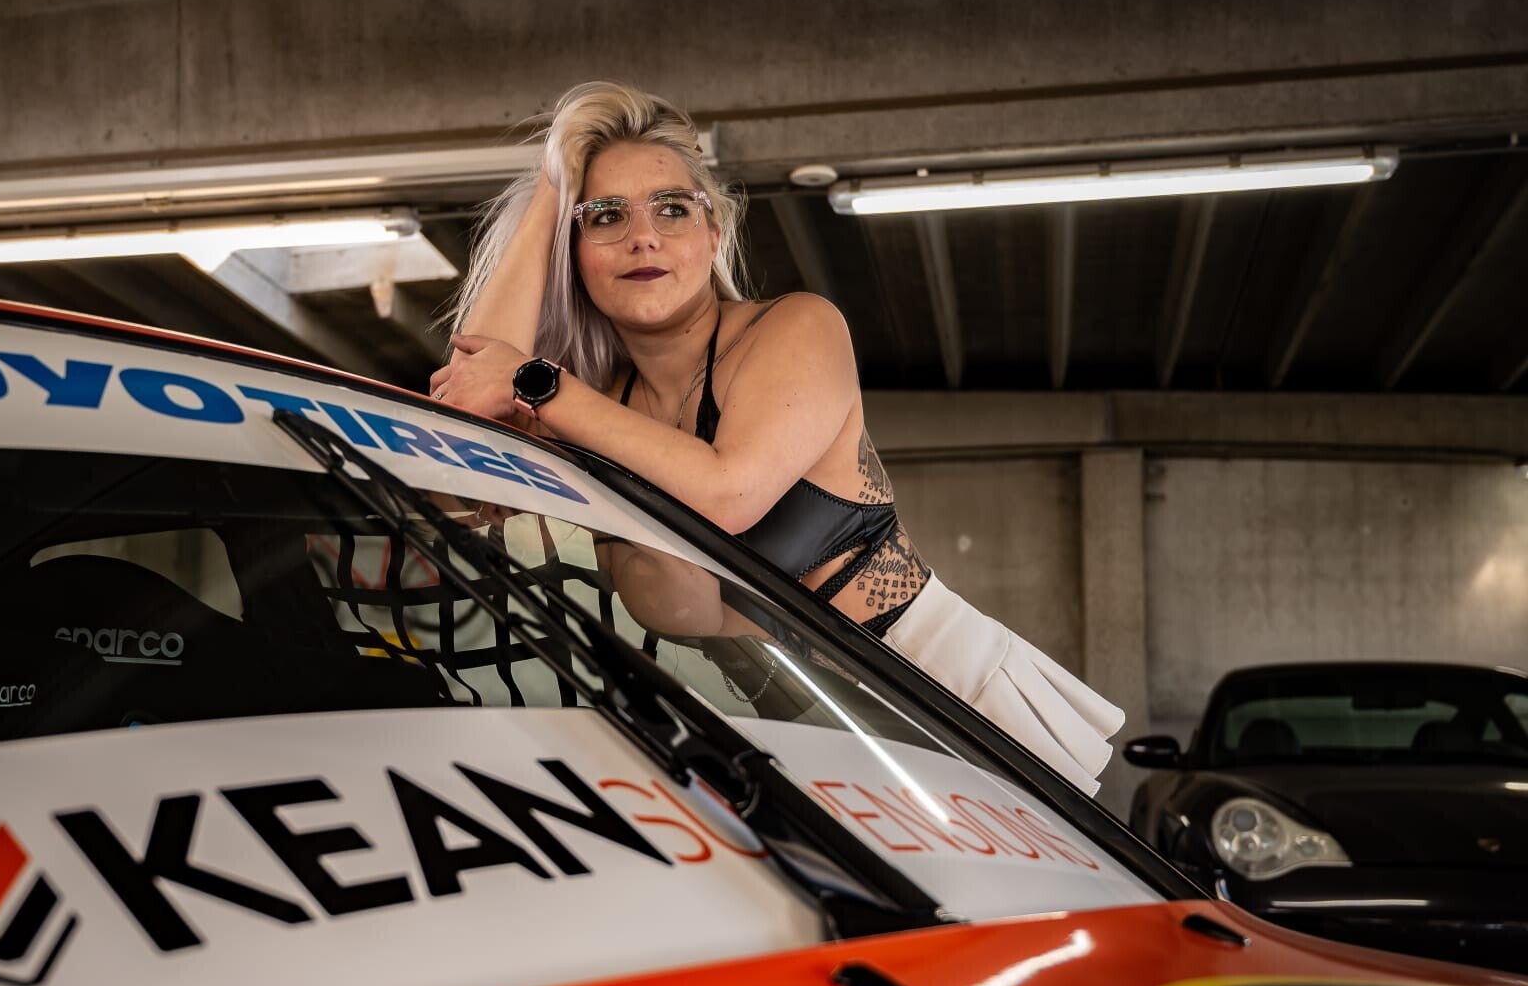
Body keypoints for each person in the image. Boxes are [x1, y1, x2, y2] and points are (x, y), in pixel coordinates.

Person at [427, 81, 1123, 793]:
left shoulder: (794, 328)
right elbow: (468, 420)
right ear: (572, 252)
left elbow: (727, 494)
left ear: (713, 235)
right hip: (800, 733)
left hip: (940, 696)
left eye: (672, 208)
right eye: (605, 216)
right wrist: (553, 190)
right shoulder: (600, 406)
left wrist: (536, 383)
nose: (644, 236)